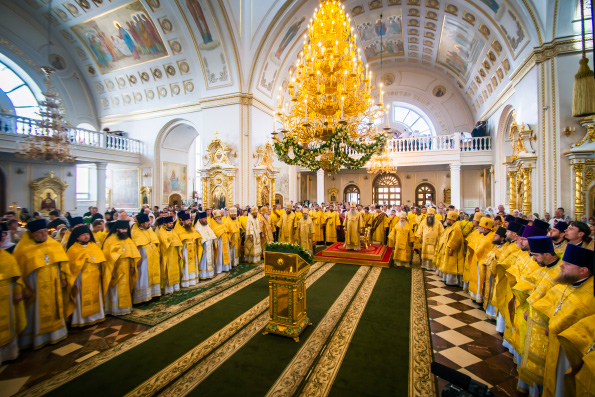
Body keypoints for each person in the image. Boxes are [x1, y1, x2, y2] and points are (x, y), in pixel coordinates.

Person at [532, 244, 595, 396]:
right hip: (553, 343)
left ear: (583, 270)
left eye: (567, 264)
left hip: (570, 352)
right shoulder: (568, 282)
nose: (561, 266)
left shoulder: (591, 295)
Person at [14, 219, 70, 349]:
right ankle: (36, 338)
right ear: (32, 234)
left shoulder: (54, 245)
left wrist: (62, 277)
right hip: (34, 286)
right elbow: (17, 272)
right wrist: (21, 288)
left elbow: (62, 263)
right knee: (36, 311)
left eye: (45, 231)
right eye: (40, 232)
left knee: (54, 305)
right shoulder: (22, 250)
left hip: (53, 284)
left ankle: (55, 334)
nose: (44, 234)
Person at [516, 236, 561, 391]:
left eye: (535, 255)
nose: (533, 259)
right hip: (534, 320)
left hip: (547, 326)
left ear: (547, 254)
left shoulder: (560, 273)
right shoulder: (545, 267)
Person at [65, 226, 106, 327]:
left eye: (87, 234)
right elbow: (71, 267)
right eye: (83, 235)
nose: (86, 237)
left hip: (94, 276)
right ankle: (81, 321)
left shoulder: (94, 246)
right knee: (81, 298)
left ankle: (97, 316)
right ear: (77, 237)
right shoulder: (73, 249)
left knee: (96, 296)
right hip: (80, 278)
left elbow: (100, 260)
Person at [101, 220, 140, 316]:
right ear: (117, 229)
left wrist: (132, 266)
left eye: (125, 229)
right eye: (122, 229)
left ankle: (126, 308)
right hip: (115, 268)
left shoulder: (128, 239)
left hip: (126, 267)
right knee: (115, 289)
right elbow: (107, 257)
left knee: (125, 287)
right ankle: (114, 309)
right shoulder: (110, 240)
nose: (124, 231)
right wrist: (112, 270)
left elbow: (132, 255)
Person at [0, 229, 26, 364]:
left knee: (9, 322)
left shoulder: (7, 258)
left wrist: (17, 292)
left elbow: (16, 278)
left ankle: (8, 354)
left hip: (6, 296)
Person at [130, 213, 161, 302]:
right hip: (142, 260)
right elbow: (134, 248)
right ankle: (143, 297)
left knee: (153, 275)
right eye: (147, 221)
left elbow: (155, 242)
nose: (149, 223)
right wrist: (136, 261)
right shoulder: (135, 233)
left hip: (153, 258)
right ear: (141, 223)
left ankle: (154, 294)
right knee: (143, 277)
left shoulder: (149, 230)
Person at [467, 217, 495, 303]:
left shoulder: (491, 237)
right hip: (476, 260)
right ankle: (475, 295)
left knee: (480, 280)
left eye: (480, 226)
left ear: (486, 228)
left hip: (482, 262)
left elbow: (484, 248)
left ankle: (480, 297)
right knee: (475, 278)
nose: (478, 227)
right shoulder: (482, 235)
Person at [482, 226, 507, 318]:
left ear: (502, 238)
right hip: (490, 274)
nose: (493, 237)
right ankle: (489, 311)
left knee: (494, 293)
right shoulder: (495, 246)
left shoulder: (504, 249)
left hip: (496, 276)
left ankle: (493, 313)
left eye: (496, 235)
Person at [436, 211, 465, 285]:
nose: (446, 221)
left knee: (452, 265)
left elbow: (455, 240)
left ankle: (453, 281)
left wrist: (451, 248)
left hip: (452, 250)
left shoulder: (456, 228)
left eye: (448, 219)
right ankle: (447, 279)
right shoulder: (452, 226)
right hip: (448, 248)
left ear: (452, 220)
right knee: (448, 264)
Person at [157, 216, 182, 294]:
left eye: (172, 223)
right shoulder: (161, 232)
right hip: (167, 255)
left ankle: (175, 287)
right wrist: (172, 240)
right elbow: (165, 243)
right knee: (167, 272)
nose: (172, 225)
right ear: (165, 224)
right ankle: (168, 290)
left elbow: (178, 243)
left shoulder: (173, 231)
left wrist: (179, 254)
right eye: (170, 223)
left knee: (175, 270)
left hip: (174, 254)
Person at [177, 212, 201, 286]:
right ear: (183, 221)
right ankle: (186, 282)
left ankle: (193, 280)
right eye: (187, 220)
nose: (189, 222)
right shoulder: (179, 230)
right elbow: (177, 243)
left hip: (193, 250)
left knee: (193, 265)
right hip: (185, 251)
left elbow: (197, 237)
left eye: (190, 220)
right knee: (186, 266)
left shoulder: (192, 229)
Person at [194, 212, 217, 279]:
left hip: (209, 246)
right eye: (204, 218)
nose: (205, 220)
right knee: (204, 261)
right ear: (200, 219)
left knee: (210, 260)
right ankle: (203, 275)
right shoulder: (197, 228)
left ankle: (210, 274)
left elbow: (212, 234)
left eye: (205, 218)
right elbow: (199, 238)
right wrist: (205, 241)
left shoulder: (207, 226)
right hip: (203, 247)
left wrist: (212, 239)